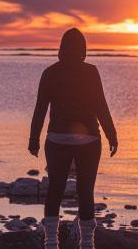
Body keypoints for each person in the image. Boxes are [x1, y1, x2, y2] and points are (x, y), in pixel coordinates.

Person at [28, 28, 118, 249]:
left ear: (62, 48)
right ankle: (87, 244)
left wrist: (34, 138)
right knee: (85, 191)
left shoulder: (50, 73)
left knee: (55, 189)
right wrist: (111, 134)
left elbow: (40, 108)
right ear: (83, 49)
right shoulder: (90, 72)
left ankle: (51, 243)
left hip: (57, 139)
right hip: (88, 140)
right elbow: (101, 106)